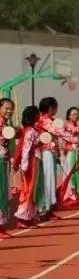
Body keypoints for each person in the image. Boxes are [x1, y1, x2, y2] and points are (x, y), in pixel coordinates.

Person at [0, 97, 14, 238]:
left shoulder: (5, 123)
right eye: (6, 108)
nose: (9, 111)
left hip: (3, 160)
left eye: (11, 108)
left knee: (3, 191)